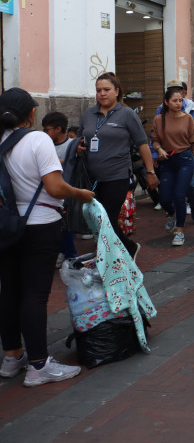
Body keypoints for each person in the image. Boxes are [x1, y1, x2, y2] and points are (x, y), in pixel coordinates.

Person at [0, 88, 94, 386]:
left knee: (10, 292)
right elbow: (54, 187)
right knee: (35, 294)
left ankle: (12, 356)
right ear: (30, 113)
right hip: (40, 226)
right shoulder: (38, 139)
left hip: (6, 226)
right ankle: (39, 365)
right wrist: (80, 193)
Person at [77, 72, 158, 259]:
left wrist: (150, 172)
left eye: (106, 90)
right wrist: (78, 146)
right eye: (98, 90)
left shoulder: (127, 114)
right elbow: (80, 137)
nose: (102, 94)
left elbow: (142, 144)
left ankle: (125, 249)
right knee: (98, 219)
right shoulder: (89, 114)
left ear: (117, 91)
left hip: (117, 175)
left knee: (107, 218)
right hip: (92, 177)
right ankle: (118, 250)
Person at [151, 86, 194, 247]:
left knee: (180, 195)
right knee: (164, 198)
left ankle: (179, 231)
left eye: (180, 100)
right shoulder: (159, 119)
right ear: (166, 102)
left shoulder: (188, 118)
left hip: (185, 158)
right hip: (167, 160)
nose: (178, 103)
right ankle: (172, 214)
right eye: (174, 100)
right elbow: (155, 140)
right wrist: (158, 149)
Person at [42, 111, 79, 265]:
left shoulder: (71, 145)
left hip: (67, 190)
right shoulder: (44, 144)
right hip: (49, 191)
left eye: (47, 129)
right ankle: (62, 252)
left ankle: (70, 255)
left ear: (58, 129)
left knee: (66, 226)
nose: (44, 132)